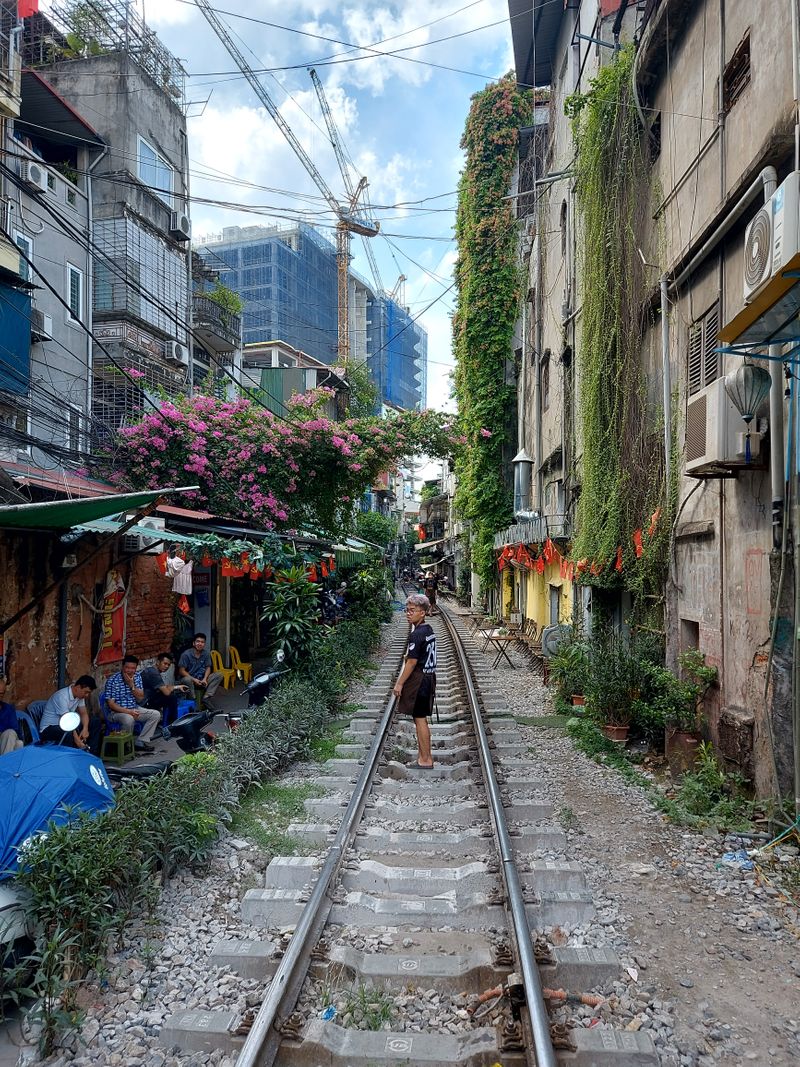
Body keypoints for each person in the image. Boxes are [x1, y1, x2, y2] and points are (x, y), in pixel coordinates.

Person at [392, 594, 437, 769]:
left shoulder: (417, 634)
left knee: (419, 719)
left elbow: (411, 663)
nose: (408, 614)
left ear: (423, 613)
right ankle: (424, 757)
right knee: (421, 718)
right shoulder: (428, 630)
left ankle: (425, 759)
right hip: (429, 677)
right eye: (407, 610)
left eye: (412, 611)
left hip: (420, 680)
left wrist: (400, 683)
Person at [104, 656, 161, 752]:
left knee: (156, 714)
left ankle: (141, 741)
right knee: (128, 719)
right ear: (122, 667)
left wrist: (131, 685)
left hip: (134, 708)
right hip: (117, 713)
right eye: (127, 667)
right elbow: (111, 705)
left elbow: (140, 697)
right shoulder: (112, 681)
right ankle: (126, 746)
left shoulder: (137, 676)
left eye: (133, 668)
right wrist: (129, 712)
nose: (130, 671)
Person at [40, 675, 99, 750]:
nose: (87, 695)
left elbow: (83, 713)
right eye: (86, 692)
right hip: (49, 729)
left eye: (88, 693)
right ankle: (72, 756)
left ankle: (90, 753)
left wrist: (85, 729)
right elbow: (68, 722)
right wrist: (78, 741)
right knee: (68, 733)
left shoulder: (80, 696)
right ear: (78, 687)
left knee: (95, 721)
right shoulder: (62, 696)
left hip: (67, 725)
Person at [177, 633, 223, 711]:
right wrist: (194, 680)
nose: (200, 644)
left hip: (201, 680)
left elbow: (208, 667)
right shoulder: (186, 654)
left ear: (204, 644)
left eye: (202, 642)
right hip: (189, 680)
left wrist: (205, 679)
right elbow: (181, 671)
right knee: (187, 679)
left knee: (219, 675)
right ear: (193, 643)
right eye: (198, 641)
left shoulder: (206, 654)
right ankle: (194, 701)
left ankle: (206, 698)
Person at [141, 652, 190, 725]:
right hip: (145, 702)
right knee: (171, 697)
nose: (166, 666)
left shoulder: (151, 670)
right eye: (165, 663)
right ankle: (173, 723)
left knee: (169, 695)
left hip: (149, 697)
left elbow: (163, 687)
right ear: (158, 662)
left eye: (168, 665)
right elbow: (166, 692)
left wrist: (178, 687)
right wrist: (171, 689)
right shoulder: (154, 674)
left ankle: (169, 720)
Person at [0, 677, 22, 755]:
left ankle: (4, 764)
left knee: (17, 741)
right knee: (18, 744)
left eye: (1, 693)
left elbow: (14, 729)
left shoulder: (8, 709)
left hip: (4, 740)